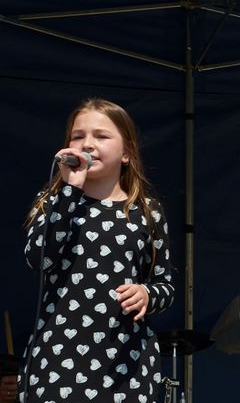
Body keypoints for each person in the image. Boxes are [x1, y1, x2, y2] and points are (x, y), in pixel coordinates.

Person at [20, 98, 175, 402]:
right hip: (58, 357)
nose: (88, 144)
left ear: (127, 152)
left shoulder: (147, 212)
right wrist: (69, 191)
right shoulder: (54, 201)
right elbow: (38, 259)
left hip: (125, 362)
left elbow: (165, 286)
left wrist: (146, 294)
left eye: (101, 136)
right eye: (78, 136)